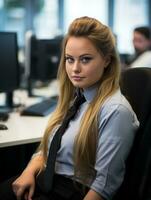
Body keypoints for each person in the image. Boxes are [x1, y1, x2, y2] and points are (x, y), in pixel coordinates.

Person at [0, 16, 139, 200]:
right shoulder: (77, 97)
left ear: (106, 60)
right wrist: (29, 171)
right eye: (69, 59)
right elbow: (51, 148)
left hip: (72, 191)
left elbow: (104, 187)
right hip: (47, 180)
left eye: (85, 59)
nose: (75, 69)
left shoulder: (115, 111)